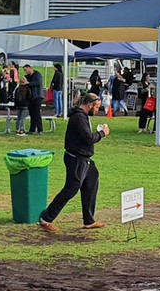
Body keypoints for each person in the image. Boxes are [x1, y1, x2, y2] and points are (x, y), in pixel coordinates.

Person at [39, 93, 109, 232]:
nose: (97, 111)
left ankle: (89, 221)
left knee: (91, 182)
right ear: (90, 105)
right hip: (76, 159)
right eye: (96, 108)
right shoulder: (78, 118)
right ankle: (46, 219)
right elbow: (88, 138)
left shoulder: (82, 116)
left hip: (84, 159)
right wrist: (102, 134)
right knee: (71, 189)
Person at [24, 65, 43, 134]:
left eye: (26, 70)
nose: (25, 72)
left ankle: (40, 129)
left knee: (37, 113)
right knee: (31, 113)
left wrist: (29, 83)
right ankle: (32, 129)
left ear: (29, 68)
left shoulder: (37, 74)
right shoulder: (28, 76)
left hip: (37, 96)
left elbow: (38, 83)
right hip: (30, 97)